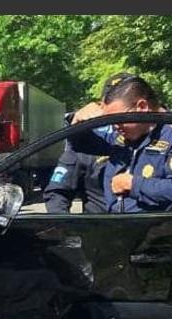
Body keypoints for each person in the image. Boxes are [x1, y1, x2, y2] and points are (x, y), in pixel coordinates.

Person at [69, 76, 172, 213]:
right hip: (121, 228)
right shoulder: (125, 136)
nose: (115, 126)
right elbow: (81, 144)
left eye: (118, 119)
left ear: (142, 107)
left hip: (160, 231)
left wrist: (133, 184)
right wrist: (78, 122)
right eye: (109, 121)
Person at [43, 72, 136, 214]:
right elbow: (57, 193)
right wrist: (68, 231)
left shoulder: (163, 139)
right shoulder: (86, 142)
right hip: (99, 229)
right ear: (102, 105)